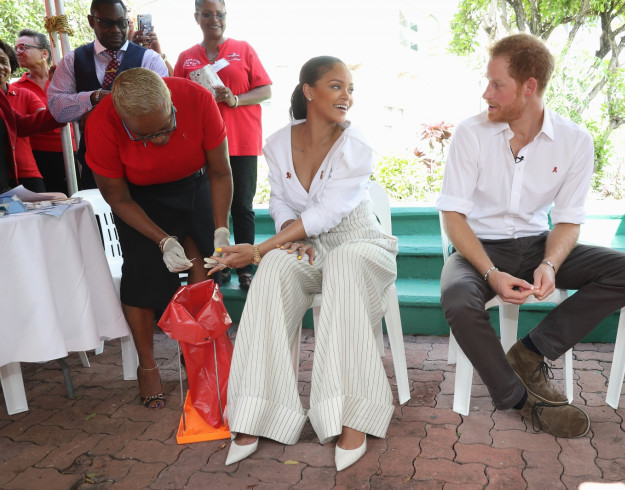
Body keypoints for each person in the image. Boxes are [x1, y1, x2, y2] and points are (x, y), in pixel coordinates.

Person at [437, 34, 625, 438]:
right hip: (476, 250)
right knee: (457, 299)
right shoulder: (470, 134)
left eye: (497, 84)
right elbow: (454, 217)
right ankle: (521, 400)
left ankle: (531, 352)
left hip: (538, 245)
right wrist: (490, 274)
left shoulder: (575, 141)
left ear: (529, 86)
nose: (486, 93)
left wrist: (551, 264)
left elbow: (568, 221)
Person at [207, 56, 398, 471]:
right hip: (305, 241)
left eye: (350, 88)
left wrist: (260, 248)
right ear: (308, 90)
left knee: (344, 265)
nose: (346, 95)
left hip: (360, 242)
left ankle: (352, 414)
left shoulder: (356, 145)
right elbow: (279, 200)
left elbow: (329, 214)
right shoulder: (276, 143)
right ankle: (257, 411)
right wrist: (288, 238)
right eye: (336, 85)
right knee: (274, 271)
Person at [84, 67, 233, 409]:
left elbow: (221, 171)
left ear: (171, 102)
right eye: (147, 137)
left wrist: (221, 226)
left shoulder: (197, 98)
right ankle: (147, 365)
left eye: (167, 128)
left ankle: (194, 353)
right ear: (122, 120)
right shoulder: (101, 123)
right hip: (139, 199)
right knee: (141, 272)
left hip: (193, 187)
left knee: (205, 266)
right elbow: (117, 198)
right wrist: (163, 240)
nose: (161, 141)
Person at [175, 0, 272, 289]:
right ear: (197, 17)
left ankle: (244, 265)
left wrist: (235, 99)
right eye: (207, 14)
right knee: (212, 209)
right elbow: (176, 97)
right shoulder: (187, 57)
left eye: (219, 14)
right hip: (203, 144)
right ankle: (220, 264)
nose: (213, 19)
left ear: (226, 17)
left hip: (241, 141)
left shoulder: (243, 50)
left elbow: (265, 89)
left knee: (242, 205)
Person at [47, 0, 168, 190]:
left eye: (121, 23)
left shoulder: (149, 60)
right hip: (94, 164)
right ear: (91, 21)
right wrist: (94, 97)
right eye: (107, 23)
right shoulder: (72, 60)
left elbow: (162, 109)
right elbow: (57, 107)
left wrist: (96, 113)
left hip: (143, 161)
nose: (116, 30)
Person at [12, 29, 76, 194]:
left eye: (23, 47)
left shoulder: (64, 81)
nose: (18, 52)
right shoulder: (16, 89)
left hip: (71, 151)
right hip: (39, 156)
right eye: (16, 48)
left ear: (44, 53)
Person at [0, 39, 46, 193]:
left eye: (3, 61)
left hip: (26, 171)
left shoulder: (23, 93)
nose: (0, 67)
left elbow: (38, 120)